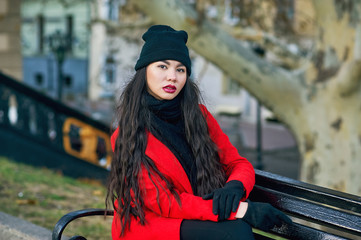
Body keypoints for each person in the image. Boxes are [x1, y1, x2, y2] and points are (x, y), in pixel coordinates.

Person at [106, 25, 292, 240]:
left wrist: (235, 188)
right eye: (162, 67)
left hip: (197, 218)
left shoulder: (198, 116)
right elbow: (164, 202)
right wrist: (239, 210)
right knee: (236, 232)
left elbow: (237, 163)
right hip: (153, 227)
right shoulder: (127, 133)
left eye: (180, 69)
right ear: (144, 71)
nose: (172, 77)